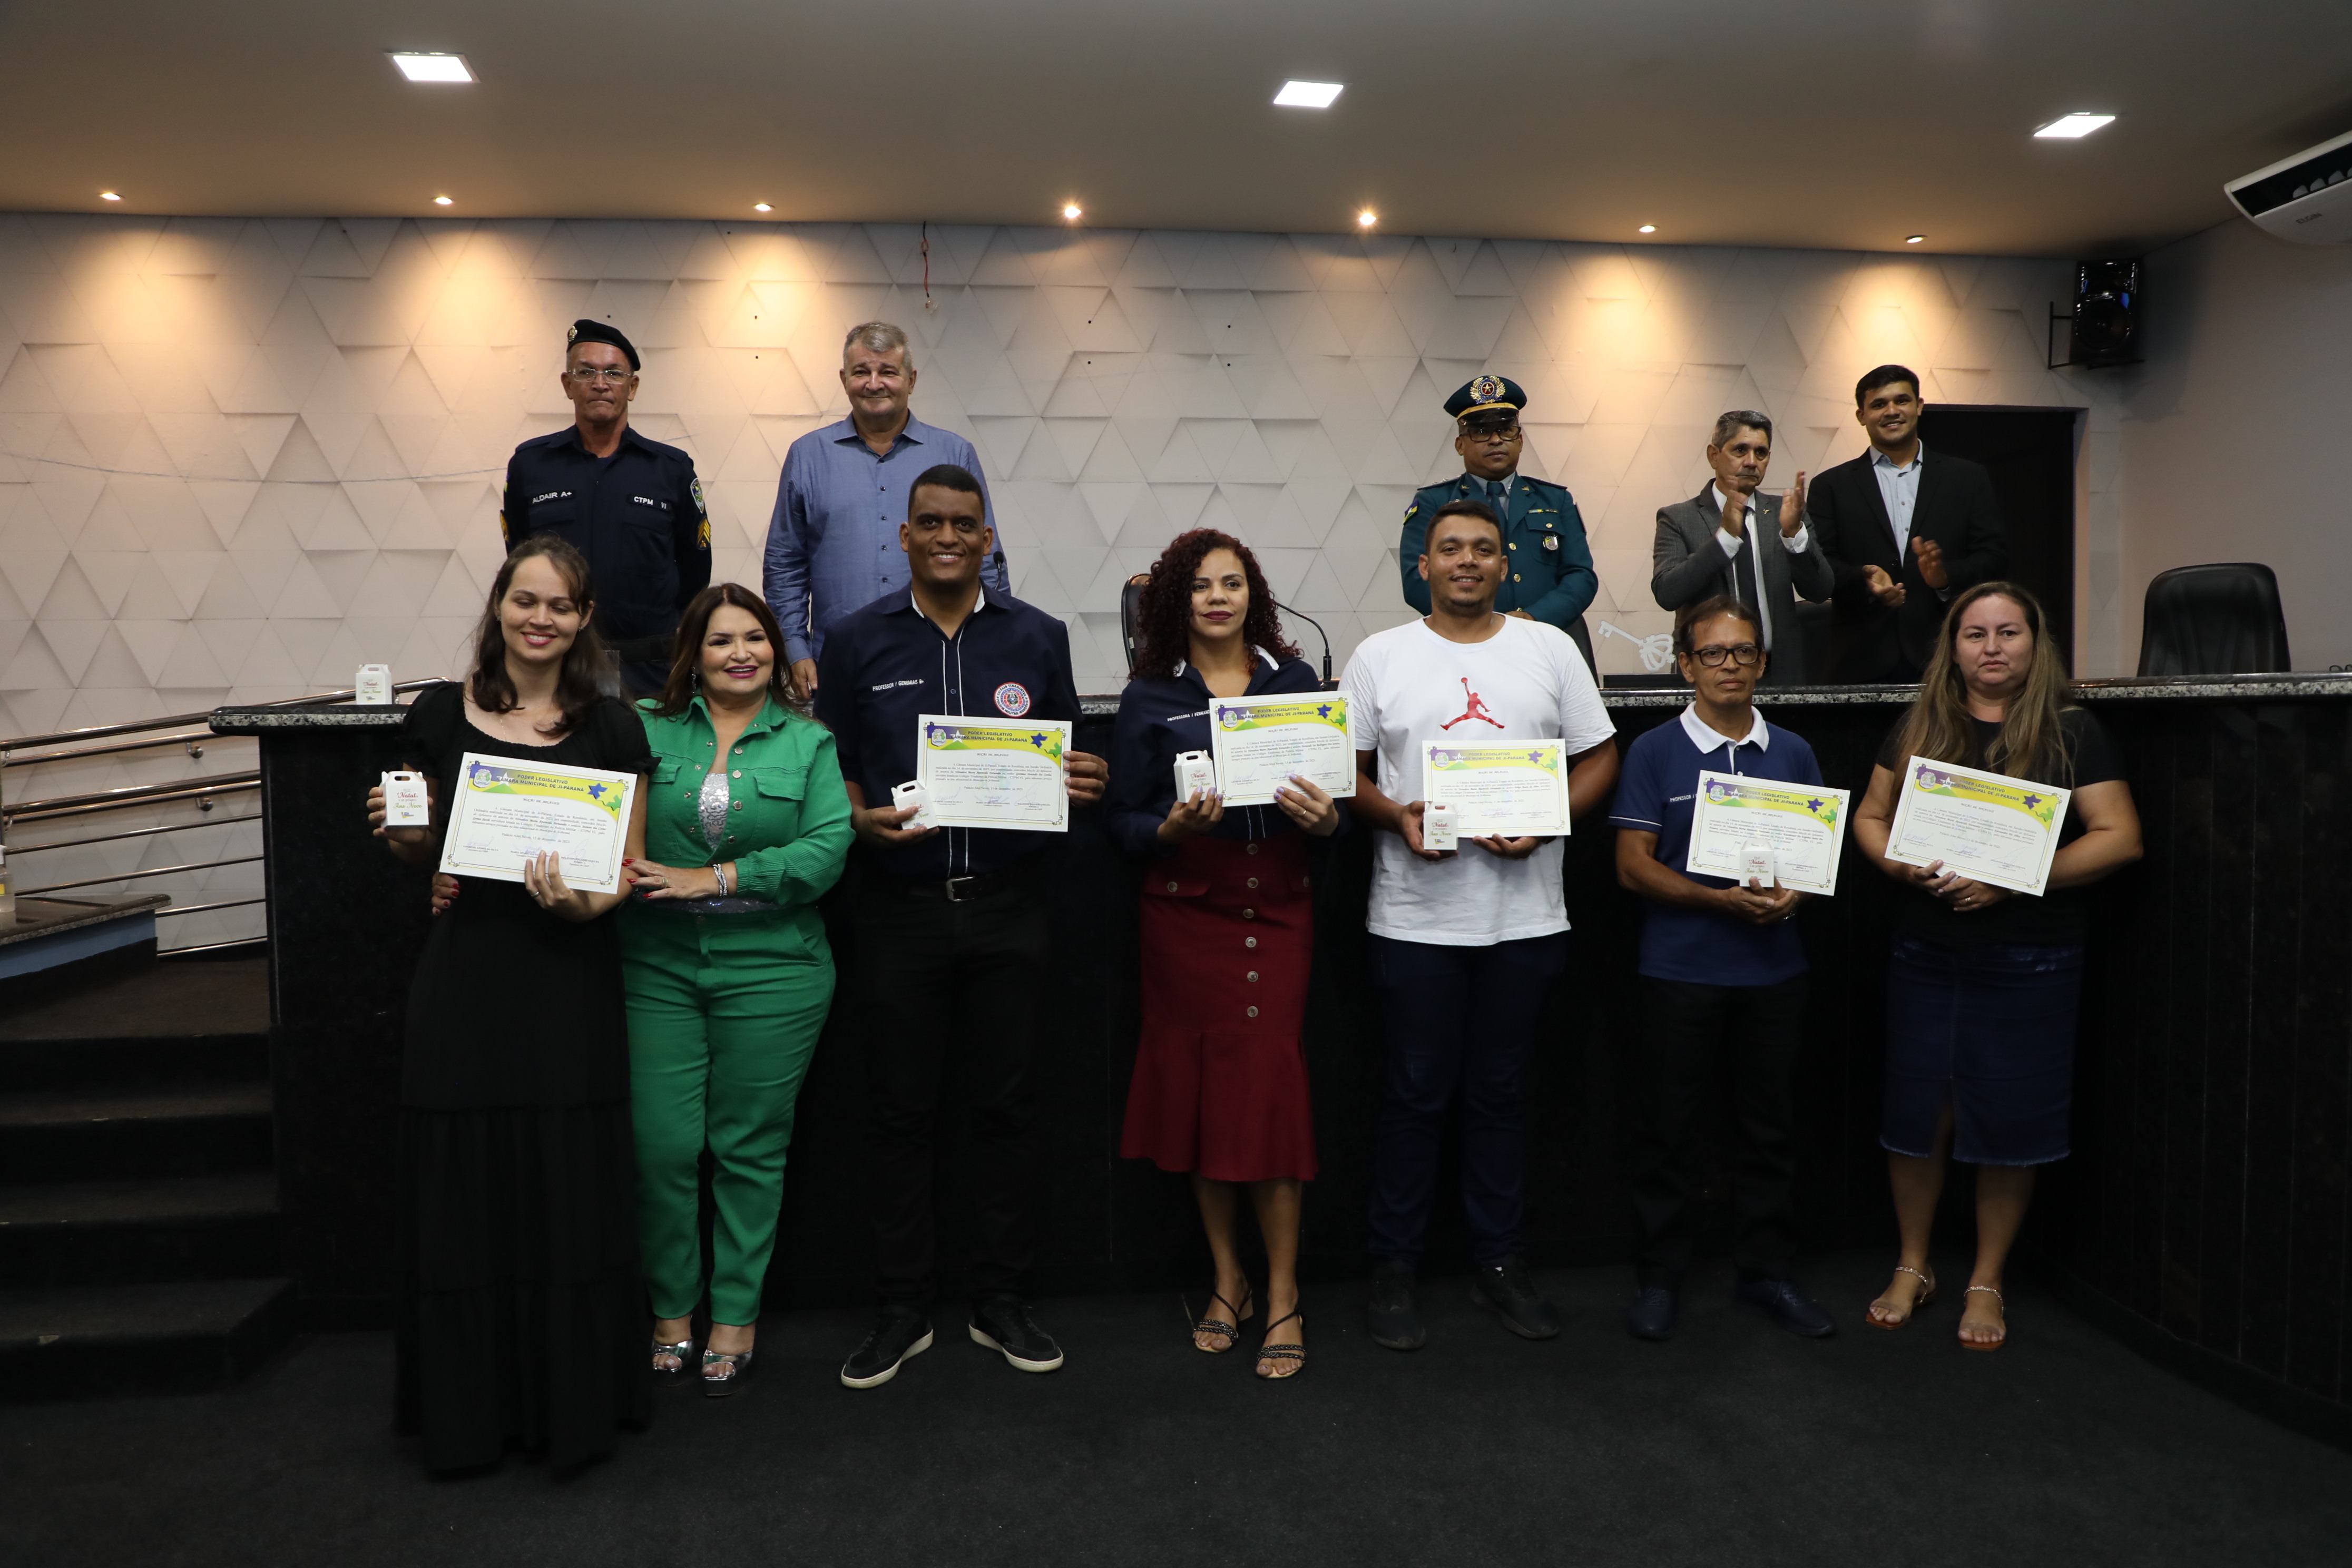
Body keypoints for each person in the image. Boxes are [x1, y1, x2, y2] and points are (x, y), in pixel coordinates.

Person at [813, 462, 1108, 1388]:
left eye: (964, 524)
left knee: (1008, 1111)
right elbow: (835, 763)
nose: (948, 537)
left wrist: (1086, 779)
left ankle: (1000, 1300)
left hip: (1009, 908)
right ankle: (903, 1308)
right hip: (897, 912)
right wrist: (856, 817)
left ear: (987, 539)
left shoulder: (1037, 635)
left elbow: (1066, 755)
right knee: (898, 1116)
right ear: (904, 536)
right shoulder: (854, 638)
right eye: (930, 522)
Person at [364, 535, 654, 1474]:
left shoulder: (614, 729)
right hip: (468, 978)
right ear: (499, 606)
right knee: (467, 1195)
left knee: (566, 1189)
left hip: (569, 981)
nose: (541, 619)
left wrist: (583, 906)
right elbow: (420, 850)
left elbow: (623, 869)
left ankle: (571, 1410)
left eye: (561, 606)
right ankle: (469, 1418)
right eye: (526, 600)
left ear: (584, 620)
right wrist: (403, 837)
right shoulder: (437, 714)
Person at [1344, 498, 1619, 1350]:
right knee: (1414, 1096)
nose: (1467, 560)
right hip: (1415, 920)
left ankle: (1499, 1263)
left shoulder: (1549, 649)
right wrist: (1397, 817)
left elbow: (1599, 755)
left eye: (1483, 549)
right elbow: (1345, 772)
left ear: (1505, 564)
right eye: (1451, 548)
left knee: (1500, 1097)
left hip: (1525, 919)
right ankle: (1393, 1267)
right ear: (1422, 566)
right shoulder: (1379, 656)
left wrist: (1546, 819)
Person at [1851, 582, 2141, 1349]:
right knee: (1918, 1115)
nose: (1991, 647)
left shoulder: (2073, 730)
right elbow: (1870, 817)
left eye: (2008, 632)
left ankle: (1986, 1279)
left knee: (2012, 1119)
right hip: (1927, 952)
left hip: (2031, 959)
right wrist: (1901, 866)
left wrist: (2017, 878)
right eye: (1974, 634)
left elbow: (2119, 836)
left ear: (2035, 644)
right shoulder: (1921, 723)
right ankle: (1913, 1265)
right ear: (1952, 648)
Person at [1106, 529, 1344, 1380]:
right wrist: (1166, 829)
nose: (1217, 598)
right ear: (1176, 598)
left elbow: (1332, 802)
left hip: (1276, 903)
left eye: (1232, 583)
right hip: (1185, 911)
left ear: (1254, 595)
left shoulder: (1296, 683)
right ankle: (1227, 1279)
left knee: (1268, 1095)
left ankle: (1283, 1290)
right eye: (1202, 585)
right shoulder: (1147, 696)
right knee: (1201, 1099)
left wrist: (1328, 821)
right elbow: (1122, 821)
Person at [618, 585, 854, 1396]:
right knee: (662, 1148)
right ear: (694, 653)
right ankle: (671, 1309)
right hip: (654, 964)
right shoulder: (643, 726)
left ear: (775, 650)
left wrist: (715, 877)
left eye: (755, 637)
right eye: (721, 641)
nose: (740, 653)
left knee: (748, 1147)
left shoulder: (809, 740)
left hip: (776, 966)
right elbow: (593, 813)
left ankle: (735, 1315)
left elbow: (827, 848)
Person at [1608, 594, 1836, 1341]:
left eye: (1743, 652)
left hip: (1775, 973)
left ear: (1762, 663)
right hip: (1680, 971)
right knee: (1668, 1130)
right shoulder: (1654, 751)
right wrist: (1717, 901)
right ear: (1686, 665)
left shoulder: (1794, 752)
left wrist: (1797, 893)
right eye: (1713, 653)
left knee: (1771, 1131)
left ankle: (1767, 1273)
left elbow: (1816, 858)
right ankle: (1660, 1277)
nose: (1729, 665)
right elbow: (1633, 866)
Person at [764, 321, 1006, 703]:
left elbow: (986, 559)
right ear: (844, 379)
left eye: (888, 372)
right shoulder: (807, 456)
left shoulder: (954, 453)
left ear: (911, 380)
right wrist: (795, 648)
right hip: (837, 663)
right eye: (862, 372)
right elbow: (784, 565)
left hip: (942, 658)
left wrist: (996, 639)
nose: (874, 384)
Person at [500, 320, 712, 695]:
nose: (600, 383)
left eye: (614, 373)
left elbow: (695, 571)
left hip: (650, 673)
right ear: (568, 385)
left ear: (633, 387)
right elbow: (520, 558)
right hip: (555, 668)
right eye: (586, 372)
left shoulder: (670, 470)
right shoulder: (531, 465)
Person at [1805, 365, 2006, 682]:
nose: (1892, 411)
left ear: (1919, 406)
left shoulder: (1967, 478)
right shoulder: (1830, 486)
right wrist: (1864, 579)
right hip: (1860, 660)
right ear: (1861, 416)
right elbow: (1821, 566)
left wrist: (1945, 578)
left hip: (1947, 657)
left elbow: (1994, 559)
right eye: (1879, 404)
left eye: (1902, 401)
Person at [1398, 376, 1599, 672]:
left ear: (1520, 440)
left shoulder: (1556, 500)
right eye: (1481, 431)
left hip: (1548, 641)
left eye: (1506, 430)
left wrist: (1533, 619)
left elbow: (1580, 576)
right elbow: (1416, 580)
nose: (1496, 440)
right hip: (1462, 647)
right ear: (1460, 445)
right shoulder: (1434, 502)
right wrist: (1485, 628)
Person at [1650, 412, 1834, 685]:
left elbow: (1821, 590)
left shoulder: (1786, 513)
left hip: (1779, 672)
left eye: (1761, 453)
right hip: (1710, 674)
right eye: (1740, 450)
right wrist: (1725, 539)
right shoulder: (1678, 517)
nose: (1751, 461)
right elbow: (1667, 593)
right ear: (1714, 455)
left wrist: (1793, 536)